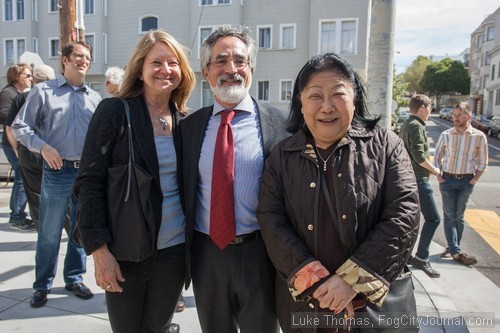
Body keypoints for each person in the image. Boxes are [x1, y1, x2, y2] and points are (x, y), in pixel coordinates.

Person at [256, 53, 420, 332]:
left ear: (354, 98)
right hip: (309, 308)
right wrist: (317, 281)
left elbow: (405, 213)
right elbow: (271, 220)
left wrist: (350, 281)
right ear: (301, 101)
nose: (327, 106)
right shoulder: (282, 156)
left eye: (338, 94)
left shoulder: (385, 144)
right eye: (315, 96)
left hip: (374, 312)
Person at [74, 30, 195, 333]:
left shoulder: (184, 120)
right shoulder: (114, 111)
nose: (165, 70)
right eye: (156, 62)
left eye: (173, 63)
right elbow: (89, 182)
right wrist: (99, 252)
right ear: (140, 69)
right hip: (125, 252)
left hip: (174, 252)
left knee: (159, 328)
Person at [179, 26, 288, 333]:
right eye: (221, 60)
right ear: (206, 71)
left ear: (250, 68)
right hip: (206, 254)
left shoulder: (281, 125)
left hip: (260, 255)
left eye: (240, 61)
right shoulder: (189, 128)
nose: (231, 69)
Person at [12, 41, 101, 308]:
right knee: (50, 232)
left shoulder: (94, 98)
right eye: (78, 56)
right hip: (57, 172)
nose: (83, 60)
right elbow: (20, 126)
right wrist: (43, 147)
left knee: (79, 230)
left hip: (86, 174)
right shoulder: (43, 91)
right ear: (65, 60)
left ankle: (74, 277)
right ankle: (41, 285)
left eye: (87, 57)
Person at [434, 102, 488, 266]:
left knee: (459, 216)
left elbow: (483, 162)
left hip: (466, 180)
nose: (455, 118)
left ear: (469, 117)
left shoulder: (478, 136)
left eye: (459, 115)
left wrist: (473, 180)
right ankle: (456, 250)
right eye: (454, 115)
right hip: (448, 179)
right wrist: (439, 177)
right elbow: (437, 157)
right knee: (450, 215)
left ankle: (453, 247)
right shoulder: (446, 134)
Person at [5, 64, 56, 232]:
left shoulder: (22, 97)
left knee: (36, 195)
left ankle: (43, 230)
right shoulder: (56, 96)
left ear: (34, 79)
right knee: (56, 192)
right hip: (51, 150)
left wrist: (18, 151)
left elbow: (10, 128)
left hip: (30, 150)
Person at [399, 94, 441, 278]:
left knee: (412, 220)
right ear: (422, 107)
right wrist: (435, 170)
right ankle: (421, 257)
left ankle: (407, 256)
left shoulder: (409, 123)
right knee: (433, 219)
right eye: (430, 107)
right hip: (418, 179)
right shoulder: (416, 126)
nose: (430, 111)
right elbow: (419, 156)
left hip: (410, 178)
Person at [0, 63, 33, 230]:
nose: (30, 78)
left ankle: (18, 214)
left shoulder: (19, 93)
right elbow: (5, 117)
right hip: (11, 142)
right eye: (26, 75)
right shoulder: (9, 93)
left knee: (23, 177)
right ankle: (17, 216)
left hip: (18, 142)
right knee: (21, 177)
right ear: (16, 76)